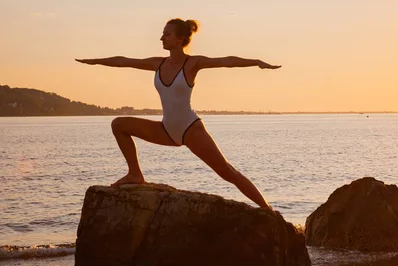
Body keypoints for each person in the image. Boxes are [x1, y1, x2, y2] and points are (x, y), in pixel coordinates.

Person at [76, 18, 280, 210]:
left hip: (190, 129)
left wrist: (257, 62)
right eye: (163, 34)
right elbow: (124, 61)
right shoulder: (158, 63)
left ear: (180, 39)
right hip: (166, 130)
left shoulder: (192, 63)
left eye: (167, 34)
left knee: (227, 172)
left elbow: (227, 61)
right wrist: (94, 61)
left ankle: (267, 210)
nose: (161, 38)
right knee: (118, 124)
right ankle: (135, 174)